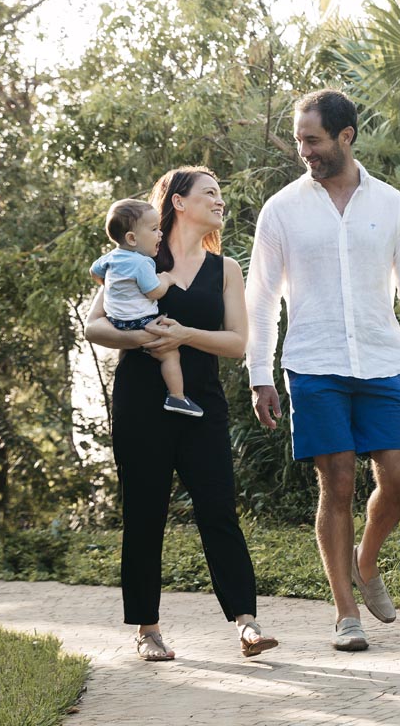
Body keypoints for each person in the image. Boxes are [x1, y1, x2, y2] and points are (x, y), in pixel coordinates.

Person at [246, 89, 400, 651]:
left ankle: (366, 560)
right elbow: (260, 297)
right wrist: (260, 372)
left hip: (382, 362)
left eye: (312, 140)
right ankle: (345, 614)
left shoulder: (391, 205)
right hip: (314, 364)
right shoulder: (281, 209)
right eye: (300, 139)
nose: (303, 150)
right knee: (336, 484)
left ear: (346, 137)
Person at [84, 166, 278, 661]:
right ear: (178, 202)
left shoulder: (226, 268)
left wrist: (184, 336)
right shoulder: (138, 255)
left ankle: (247, 624)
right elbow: (94, 325)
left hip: (202, 402)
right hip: (140, 399)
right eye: (210, 193)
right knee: (144, 514)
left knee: (219, 511)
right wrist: (146, 339)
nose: (220, 201)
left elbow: (237, 343)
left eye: (220, 193)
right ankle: (147, 630)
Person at [90, 198, 203, 417]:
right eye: (154, 229)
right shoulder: (141, 263)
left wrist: (114, 285)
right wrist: (167, 279)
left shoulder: (110, 258)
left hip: (116, 321)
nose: (159, 234)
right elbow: (155, 292)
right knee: (170, 354)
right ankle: (177, 397)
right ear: (132, 238)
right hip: (141, 322)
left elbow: (94, 273)